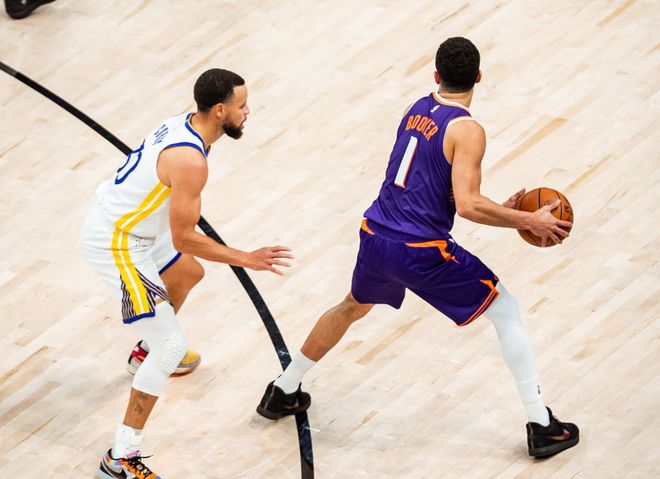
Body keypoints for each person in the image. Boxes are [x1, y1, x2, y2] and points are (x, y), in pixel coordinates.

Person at [257, 37, 579, 459]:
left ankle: (283, 390)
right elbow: (467, 205)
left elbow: (433, 187)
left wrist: (501, 209)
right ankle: (541, 425)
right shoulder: (468, 130)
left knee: (351, 306)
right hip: (420, 249)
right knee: (505, 309)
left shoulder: (416, 110)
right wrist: (527, 220)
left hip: (376, 234)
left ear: (436, 76)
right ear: (479, 77)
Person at [81, 68, 293, 479]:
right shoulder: (190, 159)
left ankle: (143, 351)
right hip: (118, 241)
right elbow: (184, 237)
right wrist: (247, 258)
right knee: (171, 346)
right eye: (241, 105)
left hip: (140, 226)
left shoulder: (189, 124)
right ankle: (120, 457)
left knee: (188, 273)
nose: (248, 111)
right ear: (219, 111)